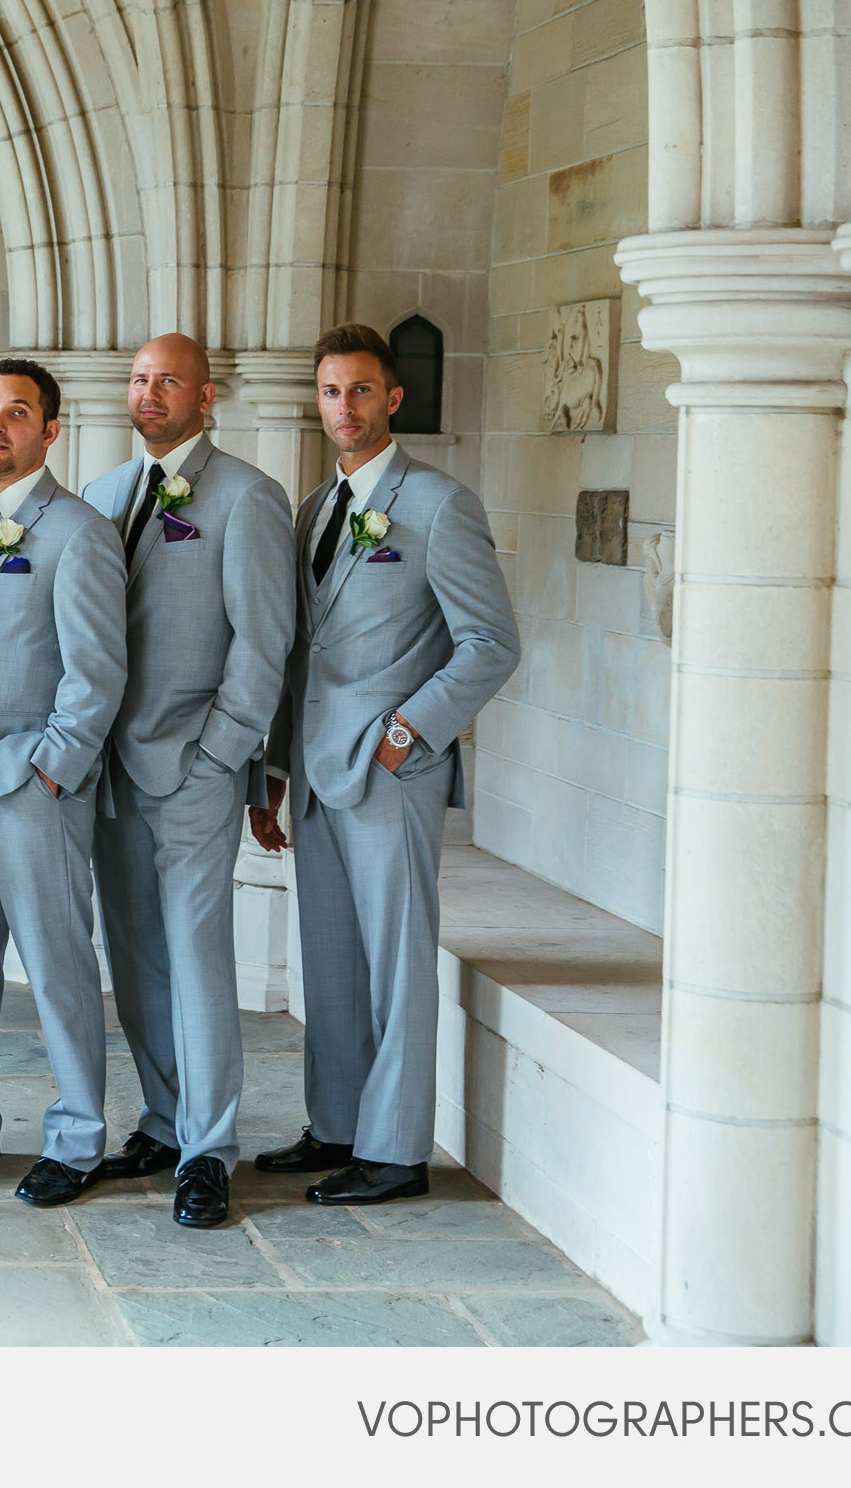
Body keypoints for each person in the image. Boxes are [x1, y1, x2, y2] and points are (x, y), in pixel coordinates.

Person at [254, 323, 520, 1205]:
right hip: (318, 769)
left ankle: (397, 1150)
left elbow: (490, 644)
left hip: (392, 771)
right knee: (328, 956)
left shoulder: (441, 506)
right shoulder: (312, 509)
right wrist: (275, 771)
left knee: (399, 960)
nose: (345, 408)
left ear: (393, 398)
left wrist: (410, 732)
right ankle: (336, 1124)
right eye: (331, 392)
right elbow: (301, 650)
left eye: (361, 390)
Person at [81, 335, 295, 1229]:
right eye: (137, 378)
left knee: (198, 958)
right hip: (111, 770)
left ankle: (207, 1149)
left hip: (195, 766)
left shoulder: (247, 497)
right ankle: (164, 1121)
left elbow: (265, 639)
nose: (148, 392)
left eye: (167, 379)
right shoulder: (101, 496)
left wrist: (225, 752)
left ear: (206, 397)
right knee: (133, 959)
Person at [0, 358, 128, 1208]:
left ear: (51, 432)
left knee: (56, 962)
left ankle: (77, 1138)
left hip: (33, 783)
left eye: (19, 412)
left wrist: (52, 768)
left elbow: (98, 670)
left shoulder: (78, 532)